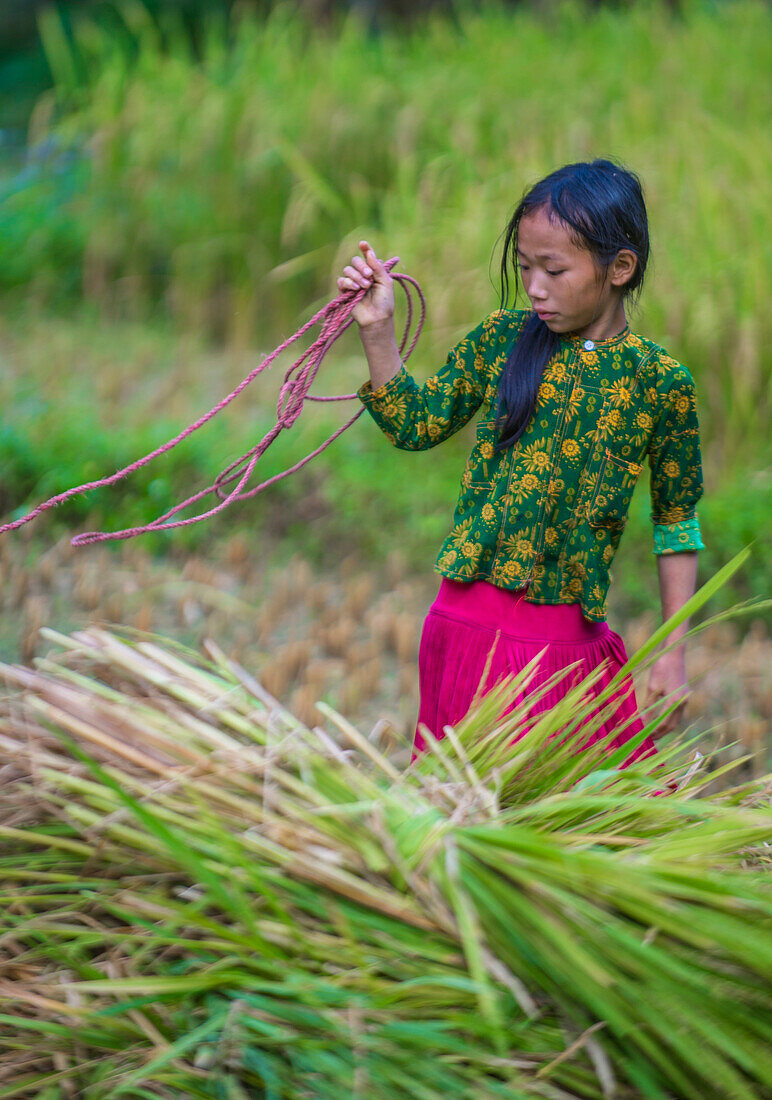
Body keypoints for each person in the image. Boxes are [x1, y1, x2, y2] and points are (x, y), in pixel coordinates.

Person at [338, 159, 704, 768]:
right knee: (465, 817)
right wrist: (378, 331)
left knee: (589, 830)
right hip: (464, 625)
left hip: (564, 643)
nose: (534, 287)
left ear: (619, 269)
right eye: (525, 268)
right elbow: (414, 423)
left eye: (554, 270)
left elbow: (677, 524)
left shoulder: (659, 384)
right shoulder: (502, 339)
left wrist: (673, 654)